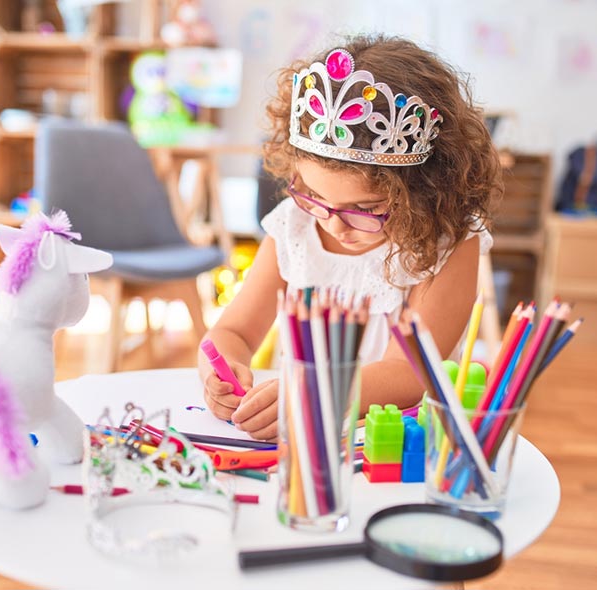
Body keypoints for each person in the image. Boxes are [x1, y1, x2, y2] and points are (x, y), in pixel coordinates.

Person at [198, 34, 502, 441]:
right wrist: (220, 372)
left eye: (367, 209)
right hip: (299, 438)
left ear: (426, 192)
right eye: (314, 196)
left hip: (397, 443)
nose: (332, 224)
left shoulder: (448, 243)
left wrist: (312, 394)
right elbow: (233, 332)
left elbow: (410, 373)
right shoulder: (295, 223)